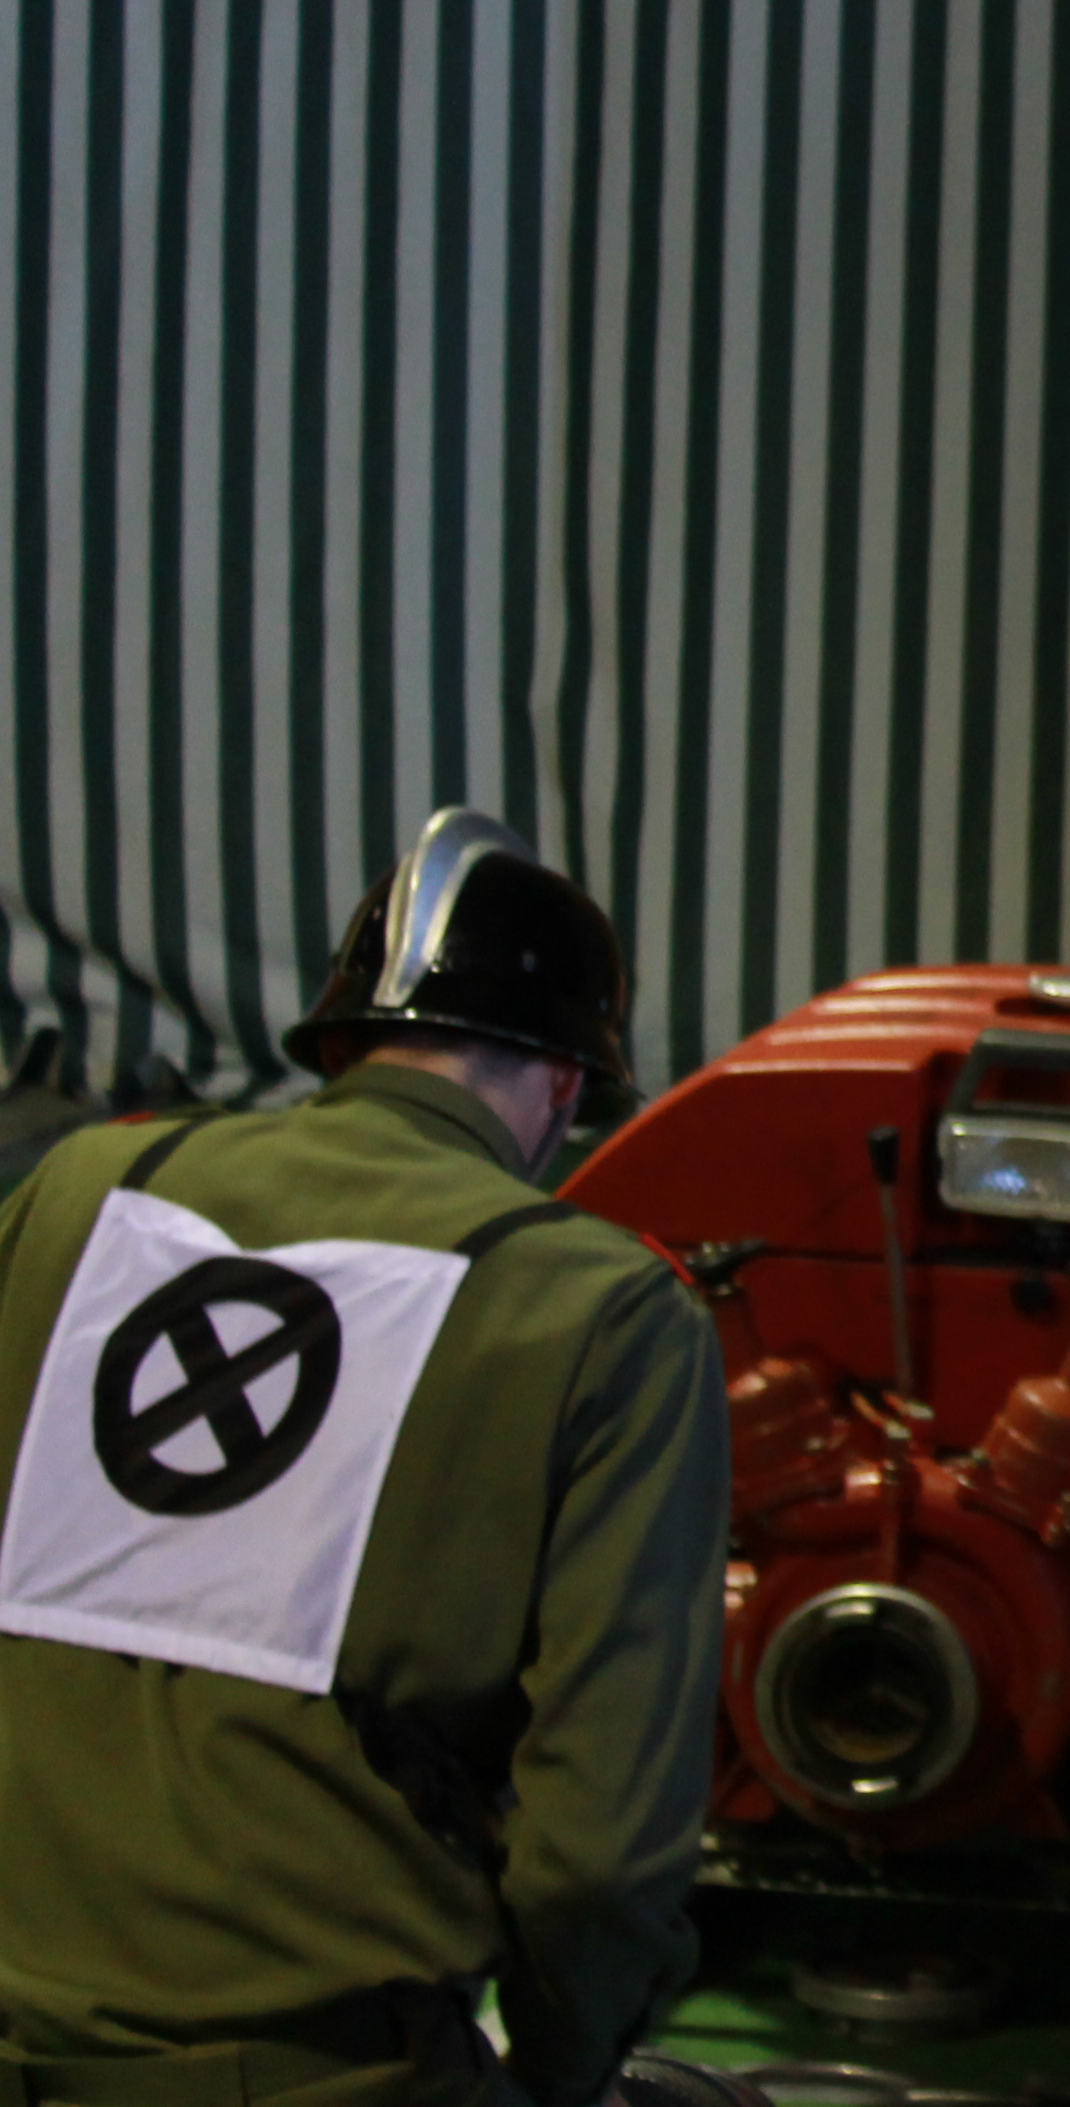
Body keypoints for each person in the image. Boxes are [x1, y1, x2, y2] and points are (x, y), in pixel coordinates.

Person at [0, 809, 729, 2107]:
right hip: (325, 2076)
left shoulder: (77, 1192)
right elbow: (600, 1859)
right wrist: (566, 2071)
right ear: (568, 1087)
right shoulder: (603, 1311)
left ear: (339, 1044)